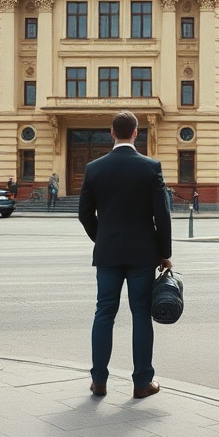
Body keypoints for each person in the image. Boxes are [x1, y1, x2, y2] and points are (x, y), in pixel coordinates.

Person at [77, 111, 172, 400]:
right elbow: (162, 216)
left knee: (104, 313)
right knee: (141, 315)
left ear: (111, 133)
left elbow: (84, 214)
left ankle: (99, 381)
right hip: (143, 254)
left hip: (107, 253)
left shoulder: (94, 168)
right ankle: (142, 383)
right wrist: (163, 253)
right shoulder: (150, 167)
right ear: (135, 133)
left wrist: (102, 237)